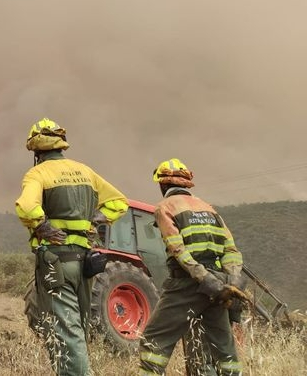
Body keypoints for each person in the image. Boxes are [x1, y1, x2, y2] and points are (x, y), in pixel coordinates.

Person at [14, 118, 128, 376]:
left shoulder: (38, 173)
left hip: (56, 263)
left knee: (66, 332)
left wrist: (41, 225)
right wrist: (96, 219)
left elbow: (26, 206)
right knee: (79, 327)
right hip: (85, 262)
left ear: (36, 151)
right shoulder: (85, 172)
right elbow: (119, 202)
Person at [139, 158, 245, 375]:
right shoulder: (210, 209)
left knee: (153, 338)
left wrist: (204, 279)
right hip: (219, 284)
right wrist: (232, 282)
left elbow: (178, 250)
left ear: (162, 185)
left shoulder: (165, 207)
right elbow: (231, 250)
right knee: (223, 348)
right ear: (187, 183)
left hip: (187, 284)